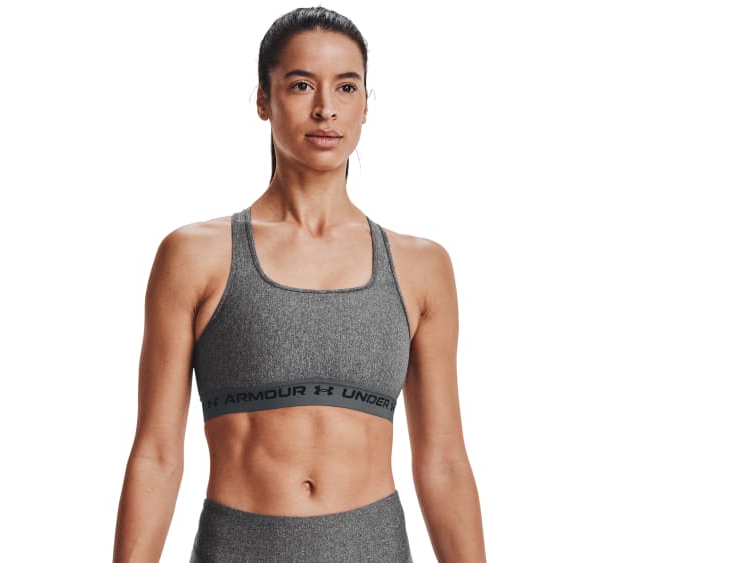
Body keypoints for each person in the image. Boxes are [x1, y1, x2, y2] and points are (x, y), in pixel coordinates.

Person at [113, 7, 486, 562]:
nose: (325, 108)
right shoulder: (195, 256)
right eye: (301, 85)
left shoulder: (420, 266)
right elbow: (157, 455)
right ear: (263, 101)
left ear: (366, 105)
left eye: (346, 87)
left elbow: (444, 463)